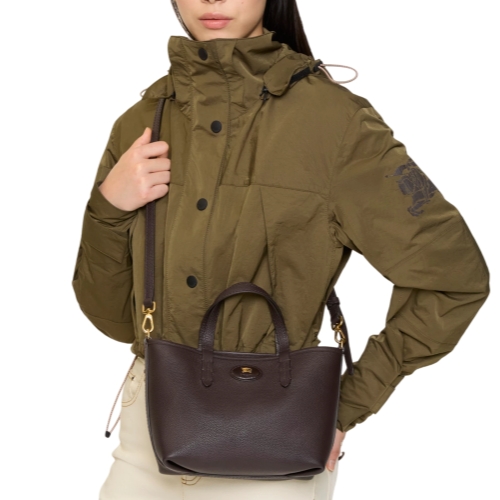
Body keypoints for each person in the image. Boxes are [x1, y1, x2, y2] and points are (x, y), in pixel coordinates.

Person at [71, 0, 490, 498]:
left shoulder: (336, 124)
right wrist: (109, 209)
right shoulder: (142, 123)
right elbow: (116, 320)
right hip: (145, 444)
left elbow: (454, 278)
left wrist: (347, 404)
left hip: (275, 446)